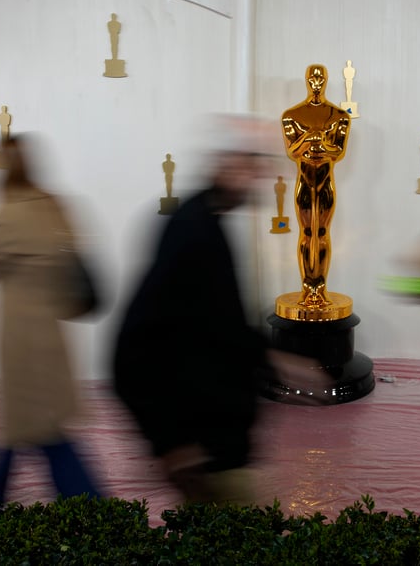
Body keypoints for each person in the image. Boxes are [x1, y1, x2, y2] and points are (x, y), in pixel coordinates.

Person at [114, 121, 317, 504]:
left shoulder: (209, 225)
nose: (256, 176)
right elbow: (139, 341)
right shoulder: (192, 232)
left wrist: (273, 357)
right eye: (248, 163)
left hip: (222, 443)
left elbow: (218, 326)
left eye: (259, 165)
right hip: (205, 449)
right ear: (222, 164)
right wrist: (170, 442)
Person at [0, 134, 100, 504]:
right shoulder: (53, 204)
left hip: (22, 342)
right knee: (29, 427)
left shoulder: (10, 212)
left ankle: (89, 506)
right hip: (50, 338)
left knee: (39, 431)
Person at [281, 64, 352, 307]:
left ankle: (319, 288)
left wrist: (318, 143)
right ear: (306, 80)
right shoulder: (292, 115)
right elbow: (292, 150)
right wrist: (310, 139)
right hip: (304, 180)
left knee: (321, 233)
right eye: (313, 78)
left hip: (324, 181)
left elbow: (338, 150)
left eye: (320, 78)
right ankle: (306, 289)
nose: (316, 82)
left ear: (326, 81)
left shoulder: (339, 116)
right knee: (306, 234)